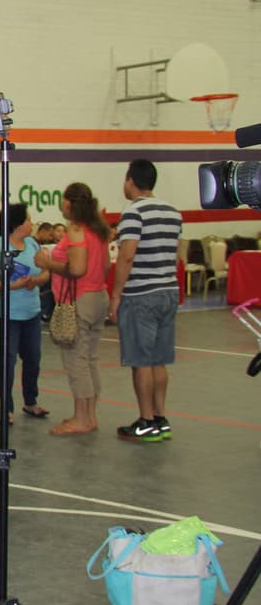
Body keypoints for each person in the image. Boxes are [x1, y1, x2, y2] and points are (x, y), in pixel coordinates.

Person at [109, 159, 182, 441]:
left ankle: (146, 420)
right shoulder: (173, 212)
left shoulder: (133, 212)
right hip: (168, 290)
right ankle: (161, 418)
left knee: (141, 361)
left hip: (141, 294)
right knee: (159, 360)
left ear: (131, 180)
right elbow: (176, 253)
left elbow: (127, 255)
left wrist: (116, 294)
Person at [35, 183, 111, 436]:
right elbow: (104, 266)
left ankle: (82, 418)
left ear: (68, 203)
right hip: (98, 295)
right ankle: (89, 414)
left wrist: (48, 262)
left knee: (76, 360)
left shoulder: (77, 231)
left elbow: (77, 269)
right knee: (89, 359)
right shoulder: (99, 229)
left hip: (81, 299)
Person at [0, 204, 50, 424]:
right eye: (28, 220)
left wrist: (35, 281)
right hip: (5, 314)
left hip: (31, 312)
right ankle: (7, 408)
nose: (32, 223)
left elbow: (46, 271)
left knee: (33, 359)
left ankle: (31, 401)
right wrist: (10, 286)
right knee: (6, 362)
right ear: (17, 224)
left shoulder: (32, 243)